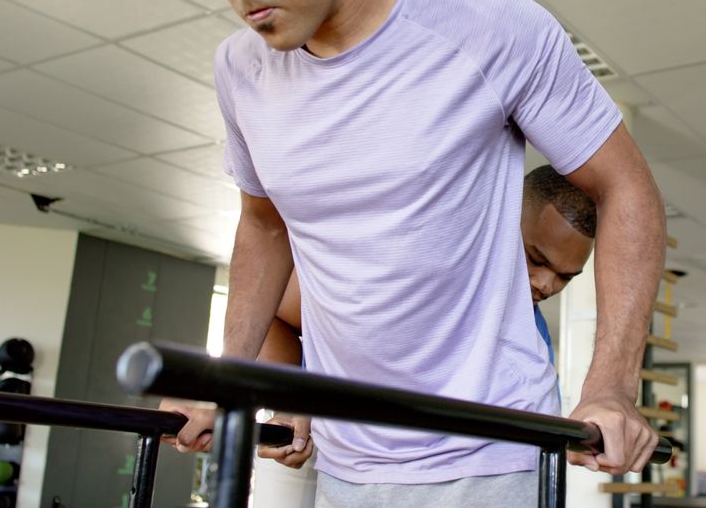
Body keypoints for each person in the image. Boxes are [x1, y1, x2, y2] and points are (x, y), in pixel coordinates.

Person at [170, 0, 666, 504]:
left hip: (490, 454)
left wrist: (612, 388)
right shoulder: (239, 68)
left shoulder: (491, 25)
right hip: (345, 459)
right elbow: (263, 225)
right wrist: (224, 380)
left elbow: (627, 185)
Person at [240, 165, 597, 506]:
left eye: (566, 276)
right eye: (536, 258)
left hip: (421, 477)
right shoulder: (424, 265)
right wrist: (292, 404)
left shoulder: (533, 339)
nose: (548, 285)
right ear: (502, 219)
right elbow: (272, 312)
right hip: (317, 442)